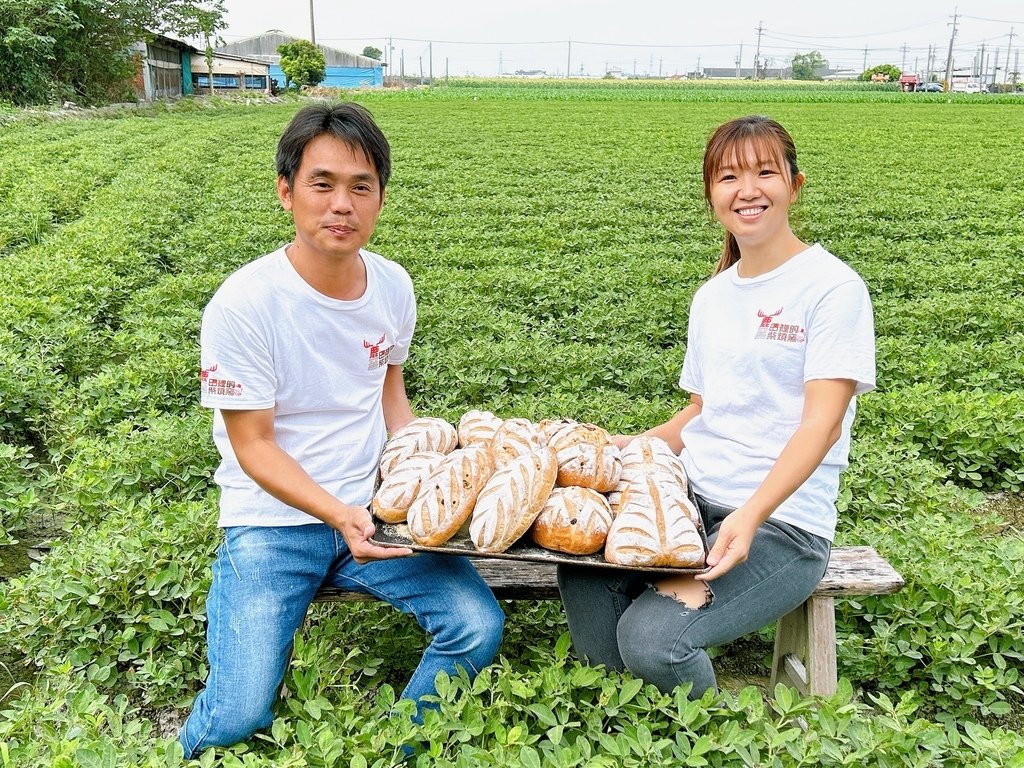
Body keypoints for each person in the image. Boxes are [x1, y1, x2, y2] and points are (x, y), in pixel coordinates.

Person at [179, 102, 504, 758]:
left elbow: (392, 400)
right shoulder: (245, 305)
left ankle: (394, 751)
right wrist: (338, 514)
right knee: (241, 709)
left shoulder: (392, 286)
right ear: (286, 191)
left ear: (381, 196)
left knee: (475, 625)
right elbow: (253, 447)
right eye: (322, 184)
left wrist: (424, 477)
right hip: (272, 523)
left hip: (377, 513)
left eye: (362, 187)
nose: (342, 205)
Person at [556, 115, 875, 698]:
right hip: (690, 502)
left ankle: (716, 740)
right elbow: (702, 412)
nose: (746, 190)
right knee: (582, 574)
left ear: (794, 185)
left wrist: (750, 514)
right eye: (728, 176)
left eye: (764, 172)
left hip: (782, 526)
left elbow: (822, 425)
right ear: (711, 193)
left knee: (655, 639)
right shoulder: (713, 296)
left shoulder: (831, 288)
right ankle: (632, 723)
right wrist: (626, 446)